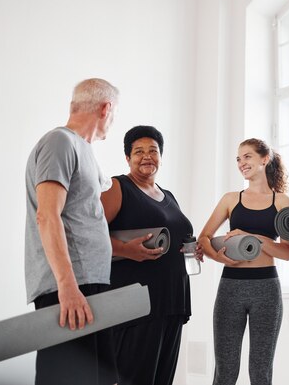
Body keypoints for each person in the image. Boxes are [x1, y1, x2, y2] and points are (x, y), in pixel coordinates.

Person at [24, 78, 119, 385]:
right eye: (114, 114)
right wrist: (67, 285)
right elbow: (47, 215)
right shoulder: (59, 142)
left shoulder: (83, 150)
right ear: (106, 109)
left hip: (89, 284)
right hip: (70, 289)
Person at [100, 125, 199, 385]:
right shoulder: (117, 187)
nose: (147, 156)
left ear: (161, 156)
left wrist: (192, 249)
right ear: (127, 158)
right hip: (136, 304)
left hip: (172, 301)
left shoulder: (169, 196)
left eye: (153, 151)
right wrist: (124, 249)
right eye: (138, 151)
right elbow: (87, 236)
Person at [199, 138, 289, 385]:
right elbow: (204, 238)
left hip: (267, 289)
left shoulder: (282, 201)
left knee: (261, 371)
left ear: (265, 159)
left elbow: (286, 252)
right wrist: (216, 255)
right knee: (225, 370)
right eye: (238, 159)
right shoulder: (231, 199)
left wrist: (253, 238)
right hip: (231, 286)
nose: (242, 163)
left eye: (247, 156)